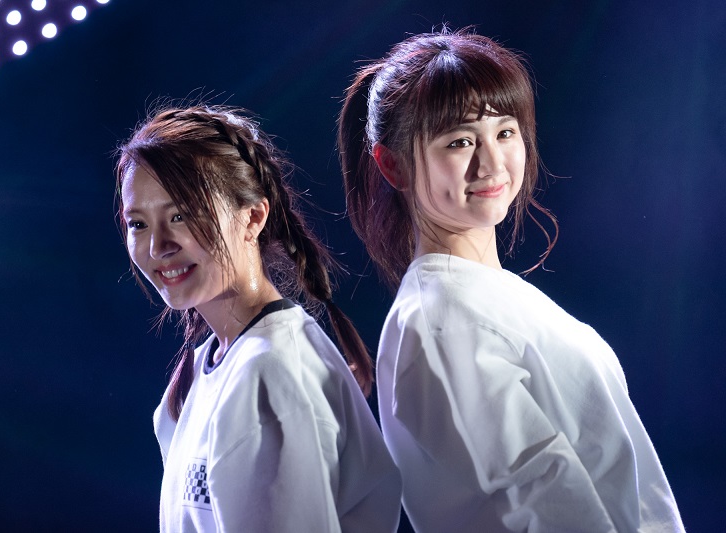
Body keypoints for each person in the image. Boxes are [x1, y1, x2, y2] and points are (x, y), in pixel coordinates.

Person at [338, 28, 684, 532]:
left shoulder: (485, 295)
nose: (492, 163)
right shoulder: (443, 318)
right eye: (460, 141)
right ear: (393, 166)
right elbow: (541, 505)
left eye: (505, 132)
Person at [116, 104, 401, 532]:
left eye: (181, 215)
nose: (158, 246)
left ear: (252, 217)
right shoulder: (210, 364)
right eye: (138, 224)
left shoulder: (270, 371)